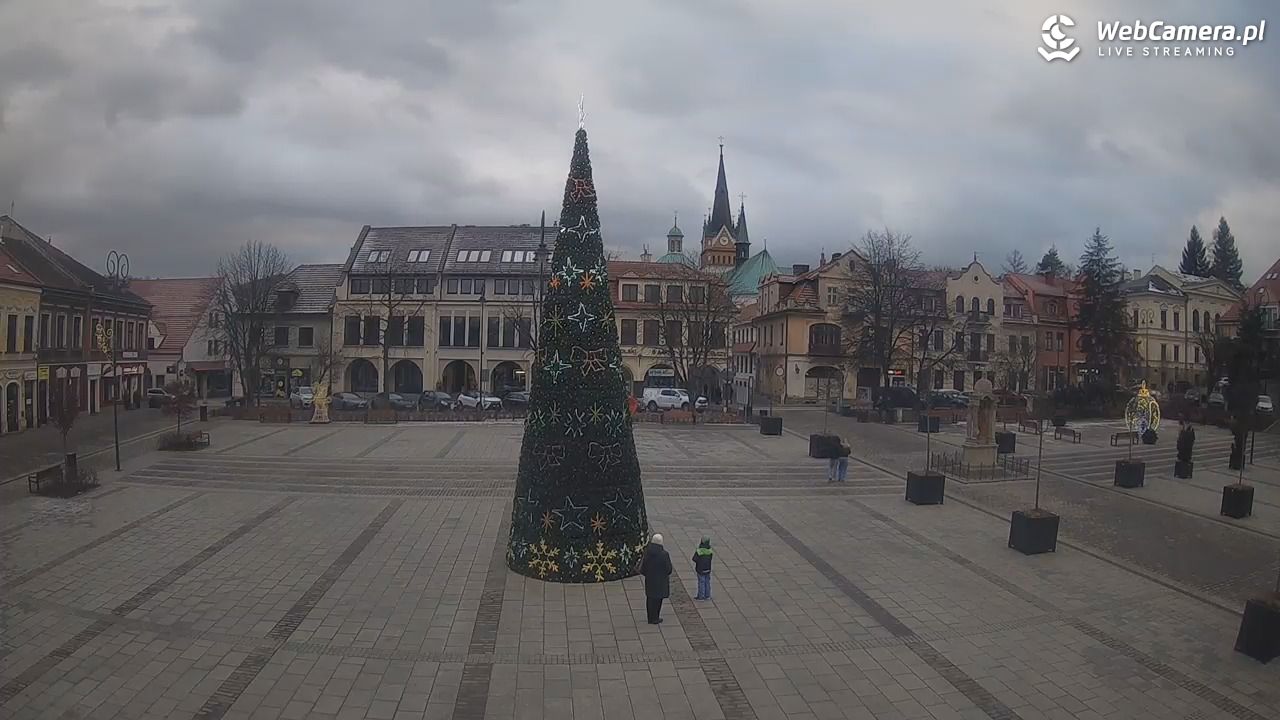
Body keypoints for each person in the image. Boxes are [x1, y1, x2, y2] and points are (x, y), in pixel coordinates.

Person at [638, 533, 672, 624]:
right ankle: (655, 617)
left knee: (650, 598)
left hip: (650, 580)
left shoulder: (647, 552)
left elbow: (643, 568)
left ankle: (650, 617)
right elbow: (669, 569)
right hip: (661, 581)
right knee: (658, 599)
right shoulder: (664, 555)